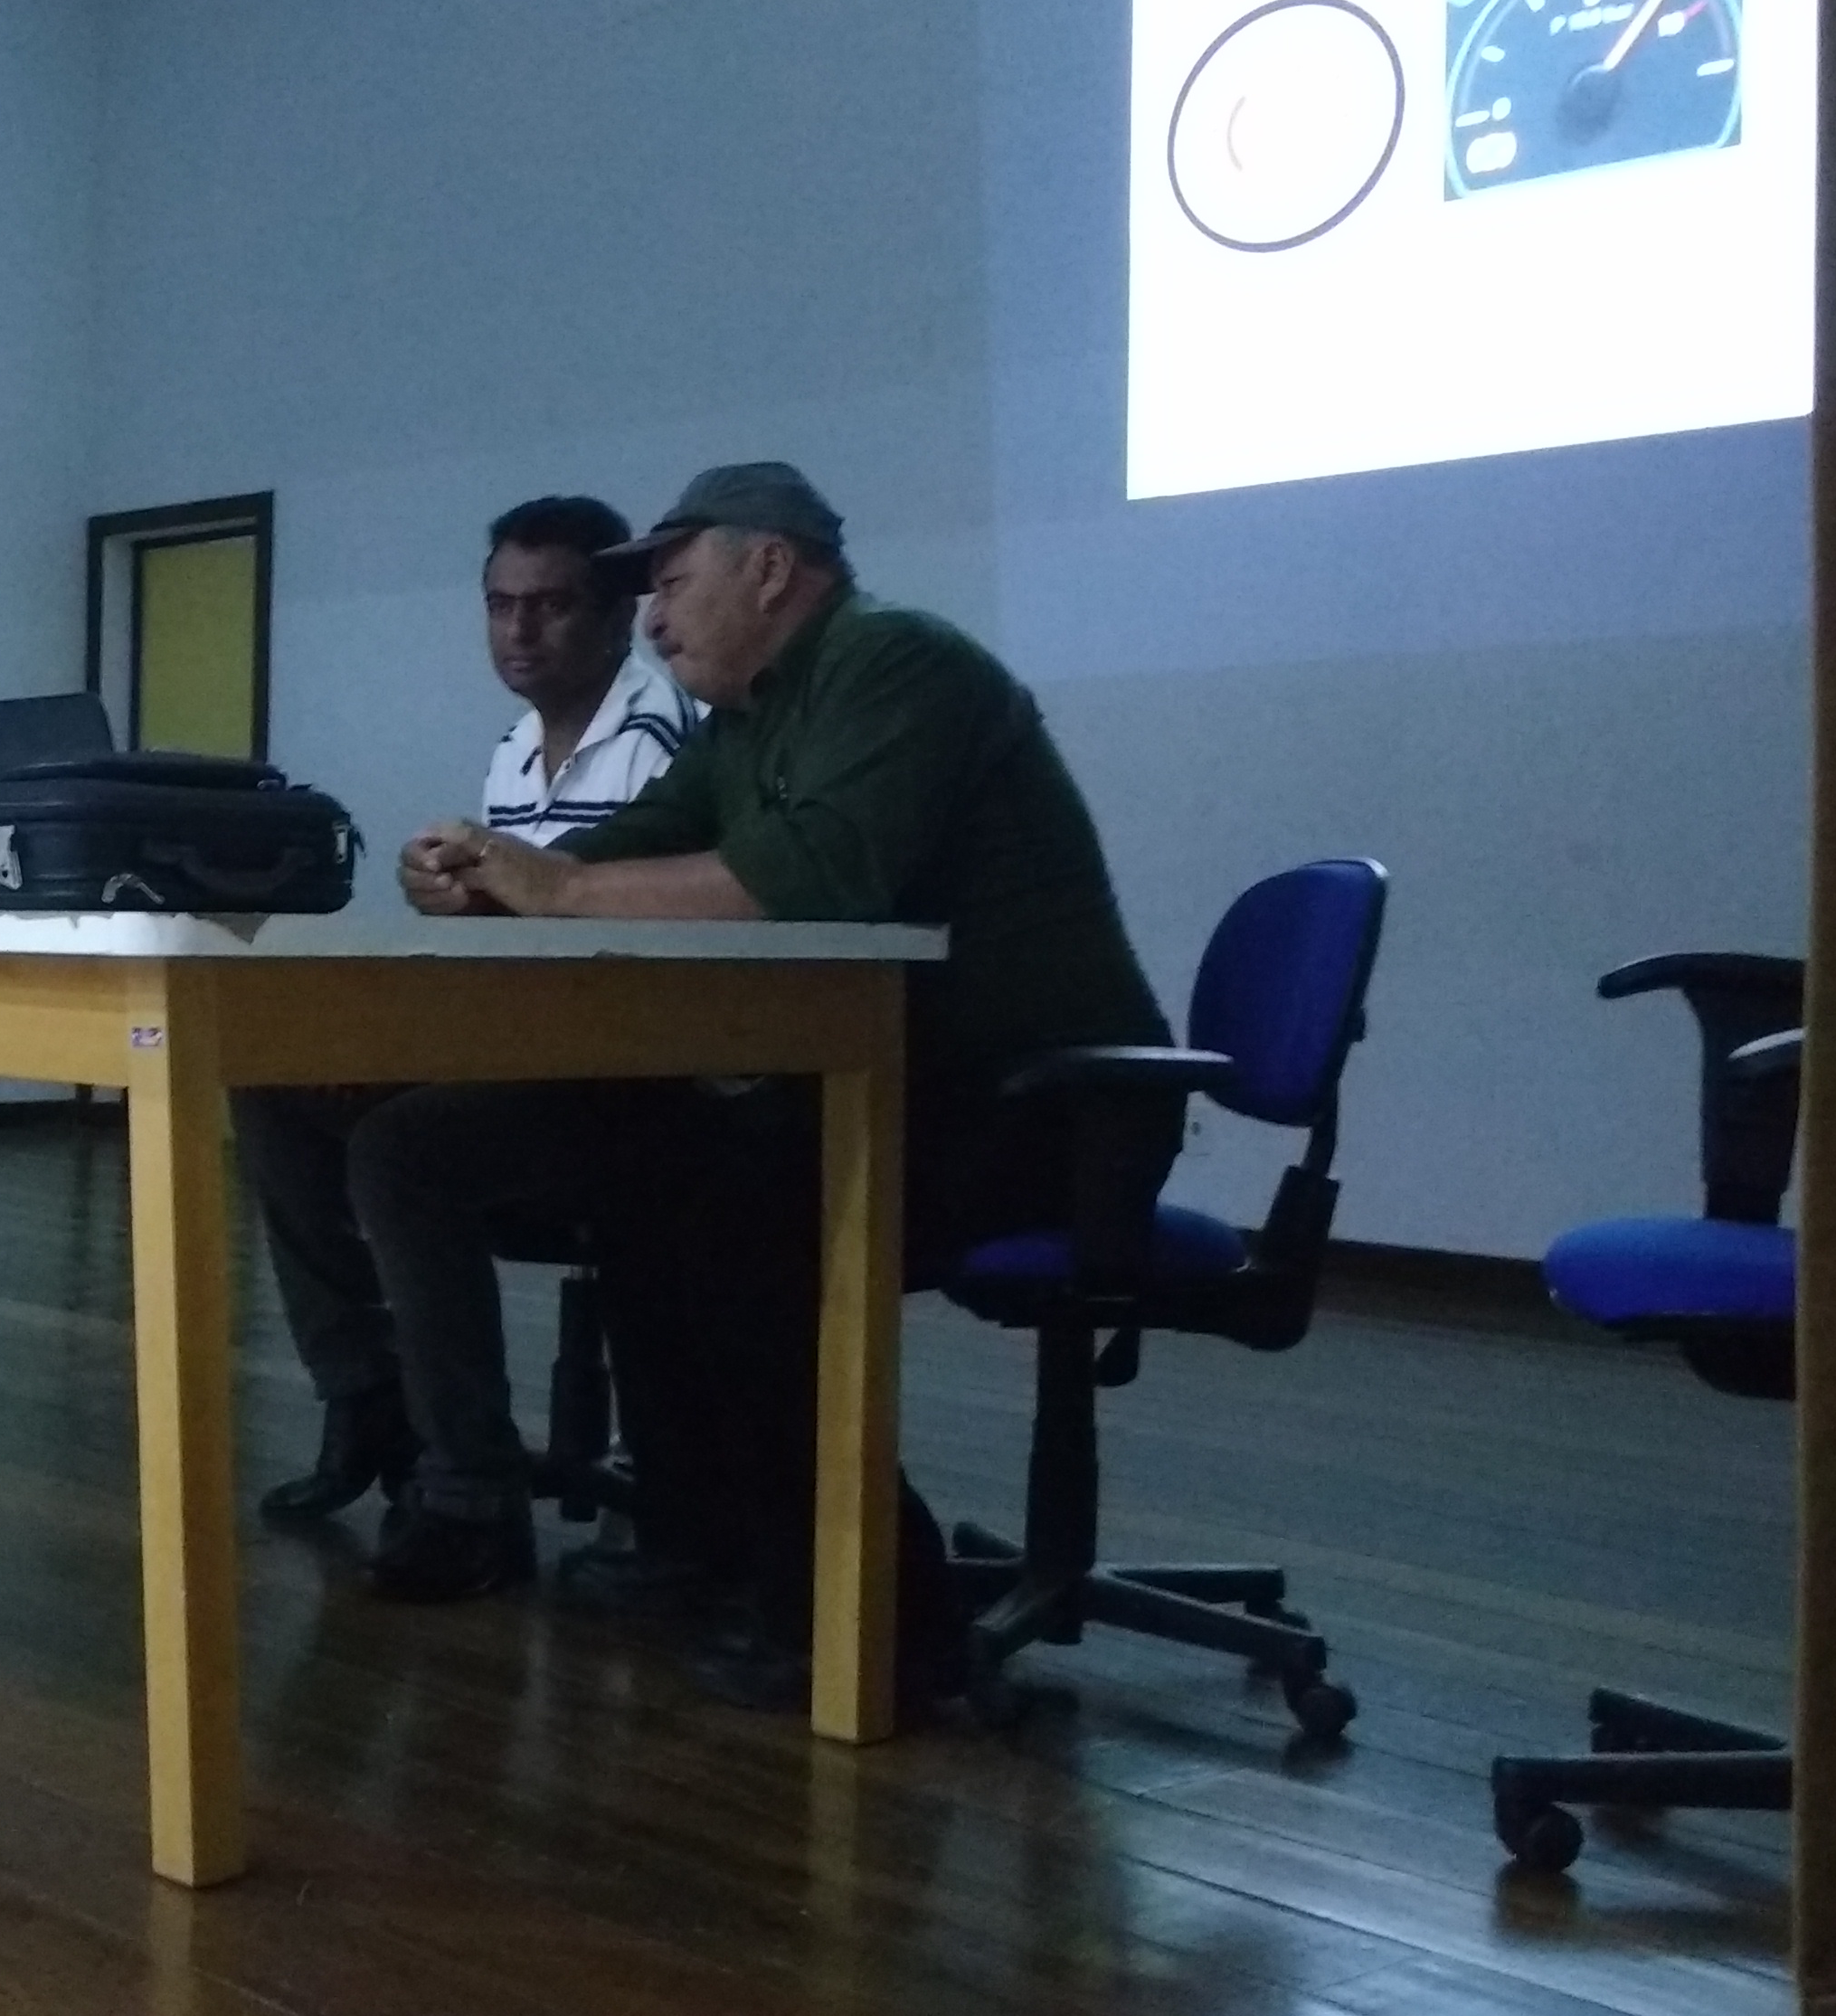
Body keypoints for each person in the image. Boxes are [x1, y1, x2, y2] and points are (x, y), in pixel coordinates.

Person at [361, 463, 1174, 1721]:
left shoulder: (899, 663)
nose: (650, 619)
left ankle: (885, 1626)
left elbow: (811, 876)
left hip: (1049, 1112)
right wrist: (476, 879)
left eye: (672, 583)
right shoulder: (742, 725)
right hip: (889, 1090)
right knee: (640, 1178)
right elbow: (607, 862)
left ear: (771, 570)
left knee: (735, 1216)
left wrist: (551, 888)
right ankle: (701, 1545)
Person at [239, 497, 698, 1524]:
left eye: (549, 605)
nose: (518, 631)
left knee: (400, 1145)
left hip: (630, 1073)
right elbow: (522, 927)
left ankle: (469, 1481)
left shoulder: (659, 737)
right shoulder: (515, 750)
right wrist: (453, 894)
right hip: (527, 1048)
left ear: (617, 614)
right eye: (499, 606)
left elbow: (629, 940)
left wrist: (501, 900)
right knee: (272, 1083)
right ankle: (366, 1398)